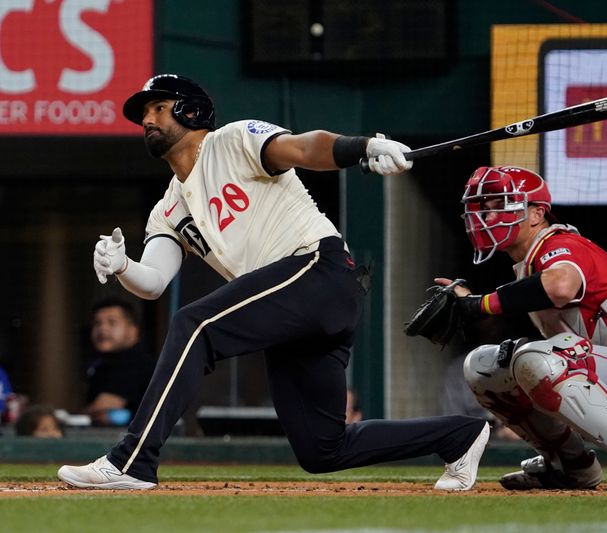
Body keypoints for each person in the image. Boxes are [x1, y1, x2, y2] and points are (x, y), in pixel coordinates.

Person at [57, 74, 489, 491]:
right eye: (144, 113)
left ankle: (131, 462)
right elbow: (152, 283)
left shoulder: (231, 139)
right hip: (292, 307)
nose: (148, 119)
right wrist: (122, 266)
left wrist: (363, 146)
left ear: (190, 111)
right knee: (322, 449)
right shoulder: (166, 209)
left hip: (317, 270)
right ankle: (459, 435)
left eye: (159, 108)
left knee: (196, 325)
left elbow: (304, 147)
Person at [436, 165, 607, 490]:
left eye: (499, 206)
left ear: (536, 213)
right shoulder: (532, 261)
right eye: (483, 209)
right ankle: (569, 464)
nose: (487, 217)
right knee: (485, 366)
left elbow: (560, 286)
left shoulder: (560, 244)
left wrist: (479, 304)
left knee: (541, 358)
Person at [84, 297, 157, 426]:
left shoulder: (135, 361)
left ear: (133, 330)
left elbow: (102, 407)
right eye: (97, 323)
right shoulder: (102, 363)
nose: (102, 329)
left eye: (112, 323)